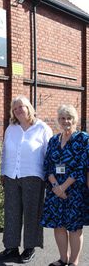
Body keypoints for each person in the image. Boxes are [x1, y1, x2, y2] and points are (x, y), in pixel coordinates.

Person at [0, 95, 53, 263]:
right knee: (11, 212)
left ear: (29, 108)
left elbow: (49, 154)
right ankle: (11, 247)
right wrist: (3, 172)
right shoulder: (11, 128)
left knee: (32, 213)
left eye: (21, 107)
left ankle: (30, 248)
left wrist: (50, 178)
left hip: (34, 176)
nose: (18, 110)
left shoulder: (42, 128)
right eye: (15, 108)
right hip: (11, 176)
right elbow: (5, 151)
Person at [41, 105, 89, 266]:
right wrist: (55, 185)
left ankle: (74, 262)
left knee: (74, 228)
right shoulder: (54, 140)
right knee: (59, 225)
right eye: (62, 118)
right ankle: (63, 258)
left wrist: (63, 187)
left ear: (74, 119)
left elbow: (82, 166)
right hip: (55, 190)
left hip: (75, 191)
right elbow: (47, 164)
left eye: (69, 118)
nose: (66, 121)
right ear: (58, 120)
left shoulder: (83, 138)